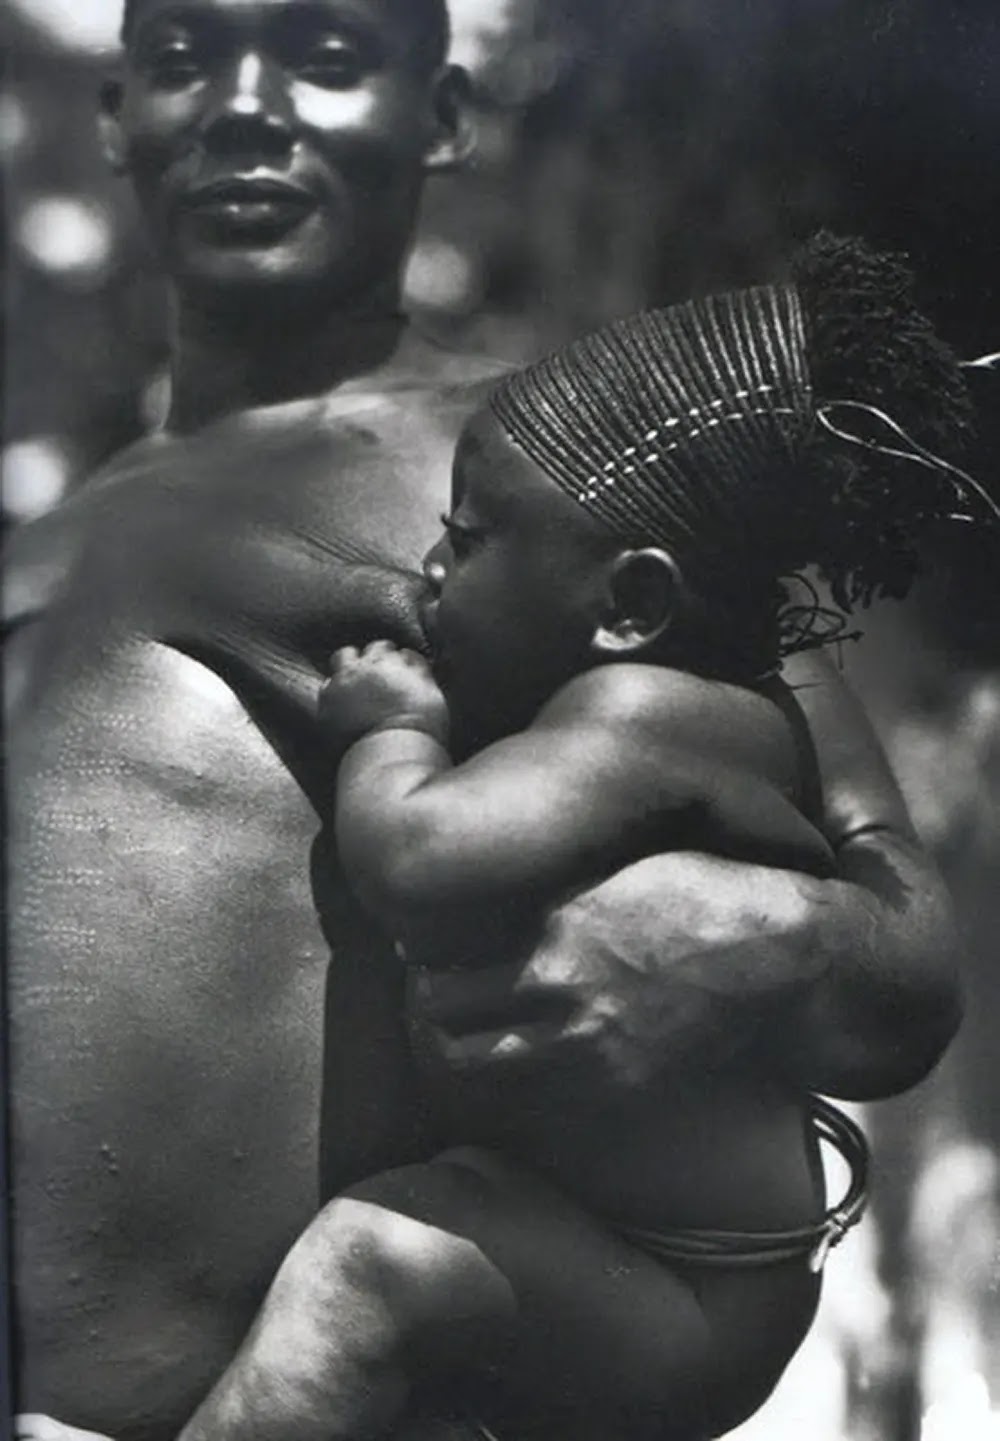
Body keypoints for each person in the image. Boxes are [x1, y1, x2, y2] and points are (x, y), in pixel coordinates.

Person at [5, 0, 959, 1437]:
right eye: (185, 59)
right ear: (115, 115)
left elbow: (901, 948)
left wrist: (755, 936)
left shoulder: (554, 485)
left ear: (441, 118)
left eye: (327, 59)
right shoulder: (43, 538)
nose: (246, 106)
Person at [171, 237, 984, 1441]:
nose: (431, 567)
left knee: (368, 1265)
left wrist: (392, 730)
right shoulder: (719, 684)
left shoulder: (641, 713)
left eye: (467, 540)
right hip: (625, 1242)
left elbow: (419, 860)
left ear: (631, 607)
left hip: (679, 1282)